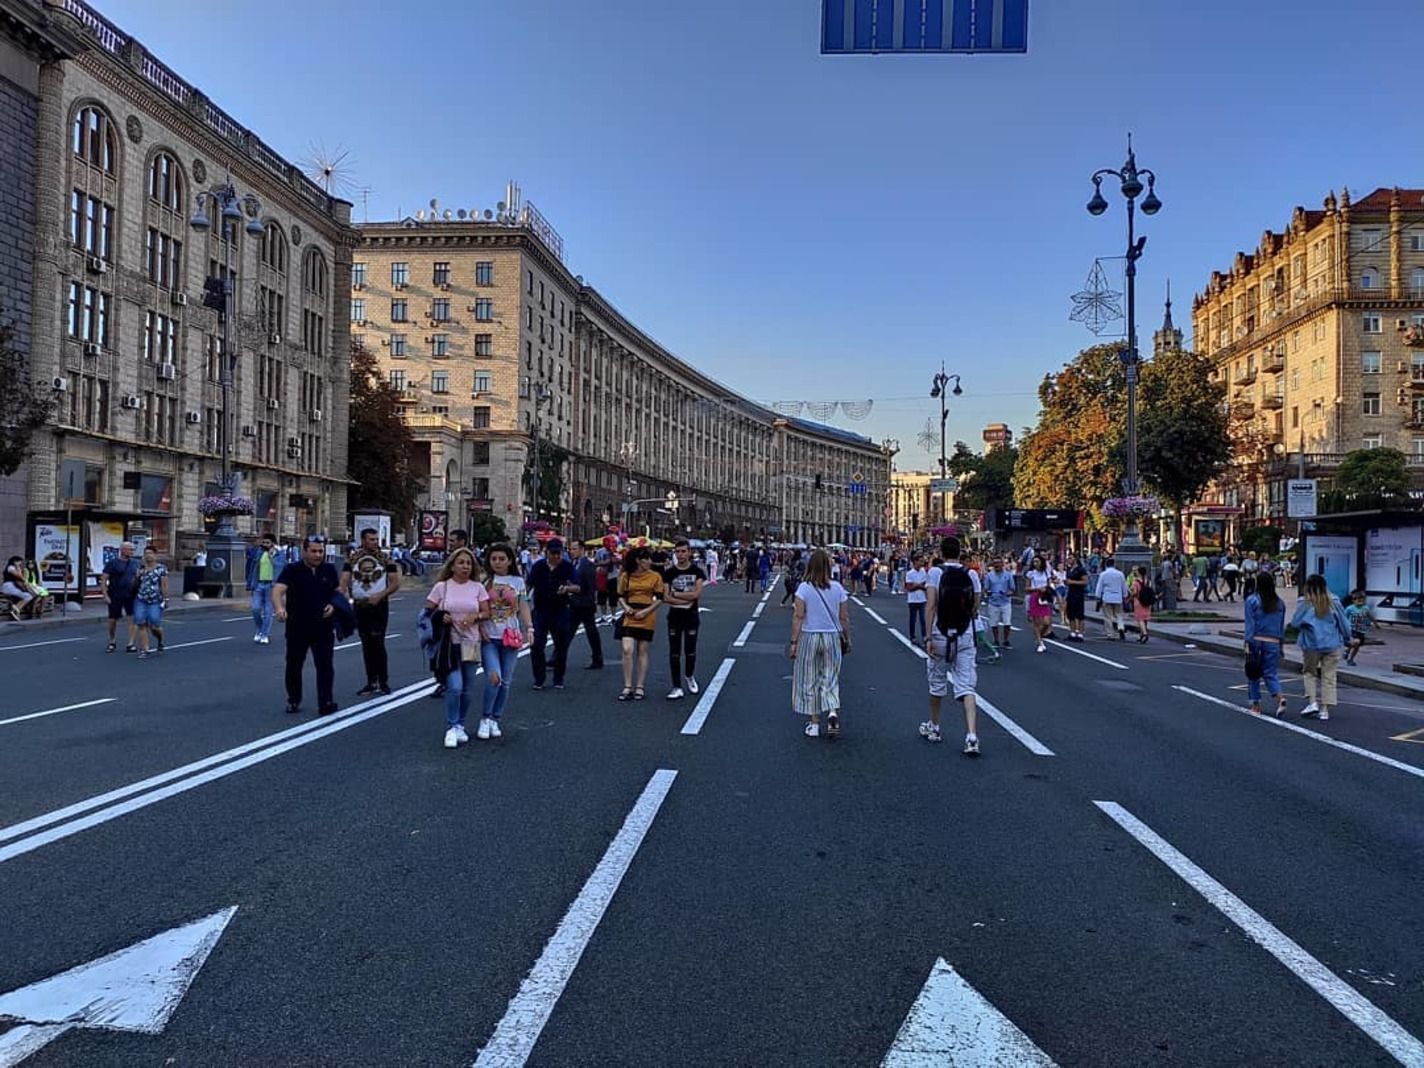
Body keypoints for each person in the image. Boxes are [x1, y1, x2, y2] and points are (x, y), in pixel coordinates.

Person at [425, 547, 491, 748]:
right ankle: (452, 726)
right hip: (449, 644)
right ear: (452, 565)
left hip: (471, 642)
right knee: (455, 686)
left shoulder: (477, 587)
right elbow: (426, 612)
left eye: (469, 563)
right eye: (461, 562)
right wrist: (440, 616)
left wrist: (476, 616)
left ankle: (461, 724)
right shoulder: (442, 587)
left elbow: (487, 612)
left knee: (468, 689)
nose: (465, 566)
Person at [921, 535, 980, 755]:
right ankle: (971, 736)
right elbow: (975, 606)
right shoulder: (971, 574)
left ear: (941, 552)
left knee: (936, 682)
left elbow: (930, 606)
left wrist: (927, 636)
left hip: (940, 633)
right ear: (959, 552)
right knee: (966, 686)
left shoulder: (935, 573)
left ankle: (935, 727)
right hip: (964, 634)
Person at [273, 535, 341, 716]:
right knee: (294, 665)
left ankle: (326, 701)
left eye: (321, 551)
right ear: (304, 551)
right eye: (314, 551)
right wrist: (279, 608)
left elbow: (338, 592)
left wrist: (334, 605)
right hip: (298, 626)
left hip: (323, 626)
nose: (318, 555)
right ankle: (293, 699)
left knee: (325, 665)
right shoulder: (292, 570)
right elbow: (278, 590)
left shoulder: (328, 569)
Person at [789, 548, 849, 738]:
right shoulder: (838, 588)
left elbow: (798, 617)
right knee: (830, 677)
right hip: (832, 636)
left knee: (810, 678)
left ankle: (814, 724)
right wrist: (847, 638)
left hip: (809, 636)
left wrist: (793, 642)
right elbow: (844, 617)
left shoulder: (804, 588)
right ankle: (832, 713)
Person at [478, 543, 532, 739]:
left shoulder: (518, 581)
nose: (498, 562)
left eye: (502, 559)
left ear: (510, 560)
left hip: (510, 637)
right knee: (494, 678)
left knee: (506, 682)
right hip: (489, 638)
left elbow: (524, 605)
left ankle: (495, 718)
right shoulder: (484, 582)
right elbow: (479, 607)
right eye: (494, 559)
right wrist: (479, 628)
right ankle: (484, 718)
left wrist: (529, 627)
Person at [342, 528, 401, 697]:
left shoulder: (385, 558)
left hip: (379, 605)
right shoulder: (353, 558)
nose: (375, 542)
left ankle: (383, 681)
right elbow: (344, 580)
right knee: (366, 643)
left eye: (376, 539)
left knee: (378, 642)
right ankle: (370, 681)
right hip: (360, 606)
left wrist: (381, 595)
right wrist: (343, 595)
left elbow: (395, 582)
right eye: (371, 539)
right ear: (363, 540)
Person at [1291, 574, 1352, 722]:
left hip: (1311, 644)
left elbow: (1295, 623)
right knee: (1329, 676)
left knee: (1310, 673)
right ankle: (1325, 710)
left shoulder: (1304, 602)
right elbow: (1344, 624)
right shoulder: (1334, 601)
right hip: (1332, 644)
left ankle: (1312, 702)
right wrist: (1347, 638)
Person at [526, 539, 578, 691]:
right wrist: (521, 600)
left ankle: (558, 678)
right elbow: (529, 584)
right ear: (546, 552)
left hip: (560, 610)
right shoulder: (539, 566)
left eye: (559, 553)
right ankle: (539, 678)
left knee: (561, 646)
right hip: (540, 610)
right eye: (553, 553)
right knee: (537, 646)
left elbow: (577, 586)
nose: (556, 556)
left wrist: (567, 588)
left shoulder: (567, 566)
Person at [616, 547, 664, 701]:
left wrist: (647, 611)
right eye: (647, 558)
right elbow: (620, 595)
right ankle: (627, 685)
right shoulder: (626, 576)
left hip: (647, 614)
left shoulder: (655, 576)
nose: (650, 561)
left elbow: (659, 597)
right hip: (630, 613)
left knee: (642, 650)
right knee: (627, 648)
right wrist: (626, 607)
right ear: (638, 560)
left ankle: (640, 686)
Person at [660, 539, 707, 699]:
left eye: (683, 551)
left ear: (689, 553)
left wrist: (677, 594)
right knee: (674, 652)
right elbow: (665, 597)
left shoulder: (697, 572)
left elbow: (696, 594)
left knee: (690, 650)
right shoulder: (669, 573)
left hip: (691, 616)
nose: (680, 555)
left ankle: (689, 675)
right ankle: (676, 686)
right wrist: (684, 599)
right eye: (677, 552)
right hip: (674, 616)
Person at [1243, 569, 1287, 717]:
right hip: (1273, 642)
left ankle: (1255, 705)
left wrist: (1247, 642)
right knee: (1270, 673)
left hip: (1256, 640)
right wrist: (1281, 645)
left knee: (1254, 673)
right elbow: (1280, 626)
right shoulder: (1279, 603)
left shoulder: (1252, 600)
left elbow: (1250, 624)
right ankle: (1280, 698)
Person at [565, 540, 604, 670]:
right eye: (570, 549)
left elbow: (591, 586)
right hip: (575, 602)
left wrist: (592, 600)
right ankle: (558, 657)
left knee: (591, 631)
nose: (571, 551)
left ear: (582, 550)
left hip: (585, 602)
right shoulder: (572, 564)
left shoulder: (587, 565)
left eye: (574, 549)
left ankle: (597, 657)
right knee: (568, 631)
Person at [100, 542, 140, 653]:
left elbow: (139, 577)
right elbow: (103, 580)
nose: (132, 551)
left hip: (131, 595)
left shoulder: (136, 563)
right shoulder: (112, 563)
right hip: (115, 594)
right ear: (122, 550)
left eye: (133, 549)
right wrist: (105, 595)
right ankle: (112, 641)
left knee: (132, 618)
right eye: (130, 549)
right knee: (112, 619)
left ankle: (130, 643)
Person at [133, 546, 168, 658]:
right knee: (141, 623)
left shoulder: (161, 569)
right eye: (146, 553)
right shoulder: (140, 568)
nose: (148, 555)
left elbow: (164, 584)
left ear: (155, 555)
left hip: (155, 600)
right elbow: (135, 584)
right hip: (141, 599)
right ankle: (145, 650)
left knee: (154, 625)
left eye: (150, 553)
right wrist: (137, 577)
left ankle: (160, 640)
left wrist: (166, 599)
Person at [247, 536, 279, 644]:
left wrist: (271, 557)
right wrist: (251, 584)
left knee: (268, 611)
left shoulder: (279, 554)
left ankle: (264, 634)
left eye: (268, 542)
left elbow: (279, 567)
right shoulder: (259, 553)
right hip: (259, 584)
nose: (265, 544)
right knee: (255, 609)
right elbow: (253, 568)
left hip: (271, 585)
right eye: (264, 542)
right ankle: (261, 630)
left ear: (273, 543)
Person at [982, 556, 1015, 648]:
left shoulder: (1008, 575)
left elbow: (1012, 589)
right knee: (994, 622)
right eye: (995, 563)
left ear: (1002, 564)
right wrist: (987, 592)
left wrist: (1008, 593)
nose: (996, 565)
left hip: (1006, 602)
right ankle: (996, 640)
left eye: (998, 563)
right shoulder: (989, 575)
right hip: (993, 602)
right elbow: (986, 588)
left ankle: (1006, 640)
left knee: (1007, 622)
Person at [1024, 554, 1053, 653]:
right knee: (1036, 621)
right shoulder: (1031, 573)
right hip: (1035, 596)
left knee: (1046, 622)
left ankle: (1039, 636)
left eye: (1037, 561)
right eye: (1034, 561)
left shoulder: (1046, 572)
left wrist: (1048, 590)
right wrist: (1037, 589)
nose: (1035, 563)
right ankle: (1040, 642)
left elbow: (1049, 585)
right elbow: (1027, 588)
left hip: (1044, 597)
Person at [1096, 556, 1128, 641]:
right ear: (1114, 565)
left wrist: (1098, 596)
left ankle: (1110, 634)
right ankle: (1121, 627)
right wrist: (1125, 595)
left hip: (1107, 597)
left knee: (1108, 616)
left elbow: (1100, 587)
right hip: (1118, 597)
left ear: (1106, 565)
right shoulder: (1120, 574)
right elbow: (1123, 586)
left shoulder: (1103, 574)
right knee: (1119, 614)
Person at [1344, 589, 1376, 666]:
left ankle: (1351, 659)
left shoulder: (1365, 608)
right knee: (1356, 641)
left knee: (1357, 646)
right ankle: (1347, 650)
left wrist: (1375, 623)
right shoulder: (1350, 609)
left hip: (1361, 630)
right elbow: (1344, 617)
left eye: (1361, 599)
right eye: (1357, 599)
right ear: (1353, 600)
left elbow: (1370, 616)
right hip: (1352, 629)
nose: (1359, 601)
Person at [1063, 553, 1088, 642]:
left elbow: (1085, 582)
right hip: (1070, 593)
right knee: (1071, 613)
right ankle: (1072, 632)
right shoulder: (1069, 570)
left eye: (1070, 558)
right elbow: (1068, 581)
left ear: (1075, 559)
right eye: (1068, 558)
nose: (1069, 560)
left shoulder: (1081, 570)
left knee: (1080, 614)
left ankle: (1080, 633)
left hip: (1079, 594)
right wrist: (1066, 582)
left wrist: (1072, 582)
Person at [905, 553, 929, 643]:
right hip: (912, 599)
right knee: (913, 619)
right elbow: (909, 588)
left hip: (922, 599)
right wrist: (919, 585)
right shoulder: (910, 573)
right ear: (915, 562)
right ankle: (912, 636)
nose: (922, 563)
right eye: (920, 561)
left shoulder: (923, 571)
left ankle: (924, 636)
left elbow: (925, 585)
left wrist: (916, 585)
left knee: (923, 619)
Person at [2, 555, 35, 620]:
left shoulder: (14, 567)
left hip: (12, 586)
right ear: (15, 561)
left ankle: (16, 609)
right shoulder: (10, 567)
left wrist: (18, 568)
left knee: (28, 596)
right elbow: (19, 576)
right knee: (28, 596)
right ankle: (16, 608)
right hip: (9, 587)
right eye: (19, 562)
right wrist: (24, 579)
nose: (20, 563)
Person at [1129, 565, 1154, 643]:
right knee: (1145, 619)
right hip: (1147, 601)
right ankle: (1142, 635)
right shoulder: (1148, 581)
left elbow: (1135, 592)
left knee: (1140, 619)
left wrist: (1130, 594)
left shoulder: (1136, 582)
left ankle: (1145, 634)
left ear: (1139, 572)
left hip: (1138, 602)